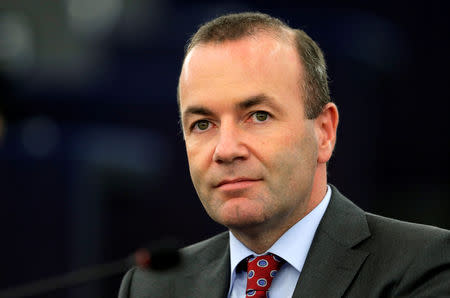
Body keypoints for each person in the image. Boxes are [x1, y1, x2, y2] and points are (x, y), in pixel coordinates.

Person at [119, 12, 450, 297]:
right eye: (203, 124)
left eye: (258, 116)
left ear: (324, 132)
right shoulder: (151, 286)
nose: (226, 150)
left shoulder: (423, 264)